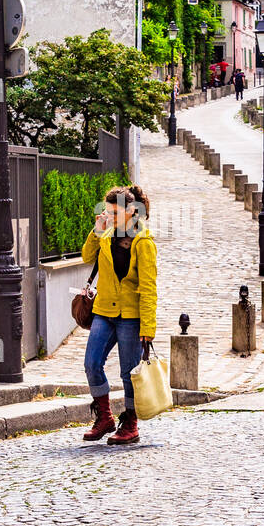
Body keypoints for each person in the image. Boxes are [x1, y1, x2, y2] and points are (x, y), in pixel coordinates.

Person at [81, 184, 157, 445]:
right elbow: (85, 257)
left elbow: (148, 288)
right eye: (107, 212)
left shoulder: (143, 241)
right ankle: (104, 417)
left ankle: (131, 424)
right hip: (104, 310)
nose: (109, 217)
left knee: (129, 373)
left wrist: (148, 327)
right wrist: (96, 231)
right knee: (92, 363)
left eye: (114, 213)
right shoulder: (105, 235)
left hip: (131, 316)